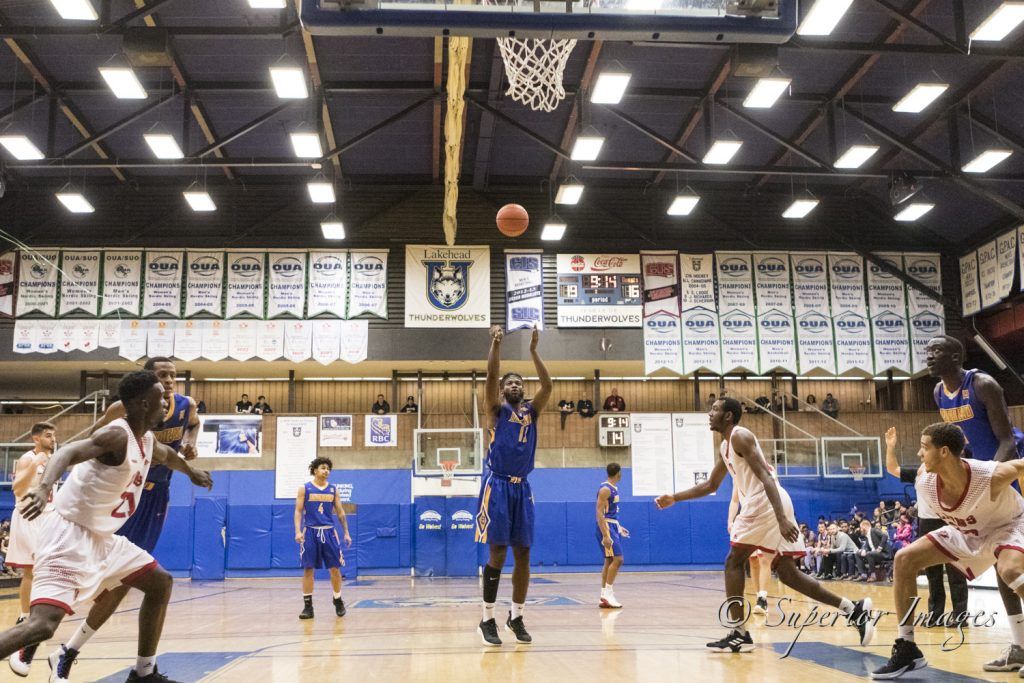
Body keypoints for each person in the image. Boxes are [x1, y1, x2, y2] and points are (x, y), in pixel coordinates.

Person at [0, 370, 213, 683]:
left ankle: (143, 673)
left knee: (159, 583)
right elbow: (69, 451)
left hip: (102, 537)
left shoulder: (147, 439)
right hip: (68, 535)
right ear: (143, 404)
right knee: (42, 626)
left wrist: (191, 472)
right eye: (160, 400)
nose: (166, 406)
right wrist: (44, 486)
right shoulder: (117, 435)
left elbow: (168, 456)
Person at [655, 398, 873, 654]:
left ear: (728, 416)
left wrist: (781, 519)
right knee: (788, 573)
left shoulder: (740, 436)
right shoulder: (726, 445)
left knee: (733, 561)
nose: (709, 413)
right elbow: (711, 485)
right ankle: (853, 609)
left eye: (715, 409)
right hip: (771, 503)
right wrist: (675, 497)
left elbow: (767, 477)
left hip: (765, 502)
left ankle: (738, 633)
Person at [869, 423, 1024, 679]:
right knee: (904, 558)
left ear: (943, 452)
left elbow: (1021, 466)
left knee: (1010, 569)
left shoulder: (988, 476)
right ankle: (907, 648)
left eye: (924, 447)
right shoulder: (925, 480)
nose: (919, 454)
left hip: (1007, 525)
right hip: (968, 530)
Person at [929, 334, 1024, 671]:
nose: (929, 356)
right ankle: (1019, 647)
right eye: (928, 351)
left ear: (958, 356)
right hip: (985, 475)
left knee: (1010, 564)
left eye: (937, 350)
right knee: (1003, 562)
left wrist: (984, 484)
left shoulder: (982, 385)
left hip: (1011, 468)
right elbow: (962, 447)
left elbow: (1007, 441)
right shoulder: (939, 392)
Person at [475, 325, 551, 647]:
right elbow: (492, 376)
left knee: (524, 554)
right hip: (498, 485)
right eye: (510, 382)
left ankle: (516, 616)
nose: (515, 384)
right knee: (498, 553)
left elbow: (548, 385)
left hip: (523, 488)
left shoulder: (531, 412)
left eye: (519, 382)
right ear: (504, 391)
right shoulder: (496, 410)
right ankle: (487, 618)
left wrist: (534, 351)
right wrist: (496, 345)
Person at [5, 422, 56, 676]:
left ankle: (34, 613)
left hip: (47, 515)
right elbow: (17, 488)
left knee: (44, 569)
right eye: (48, 435)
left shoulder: (53, 458)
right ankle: (25, 616)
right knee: (31, 570)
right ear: (36, 438)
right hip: (28, 514)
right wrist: (36, 465)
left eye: (54, 435)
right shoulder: (28, 458)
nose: (52, 438)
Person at [295, 457, 352, 620]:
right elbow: (298, 511)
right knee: (308, 569)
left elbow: (340, 512)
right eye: (323, 468)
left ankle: (337, 599)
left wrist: (346, 532)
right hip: (310, 532)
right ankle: (308, 607)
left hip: (329, 532)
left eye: (328, 469)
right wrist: (298, 531)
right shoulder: (304, 489)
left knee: (335, 568)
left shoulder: (333, 490)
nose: (326, 471)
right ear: (315, 470)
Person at [729, 486, 769, 614]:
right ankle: (759, 597)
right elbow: (735, 500)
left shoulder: (763, 470)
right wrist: (730, 520)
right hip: (747, 521)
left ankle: (763, 598)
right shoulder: (738, 475)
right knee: (753, 561)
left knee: (764, 559)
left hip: (765, 518)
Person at [596, 463, 629, 609]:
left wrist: (618, 527)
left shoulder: (613, 489)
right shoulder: (605, 489)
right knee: (618, 559)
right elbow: (599, 513)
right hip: (607, 527)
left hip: (613, 525)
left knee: (609, 560)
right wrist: (605, 535)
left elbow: (611, 513)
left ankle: (604, 595)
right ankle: (608, 594)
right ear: (619, 474)